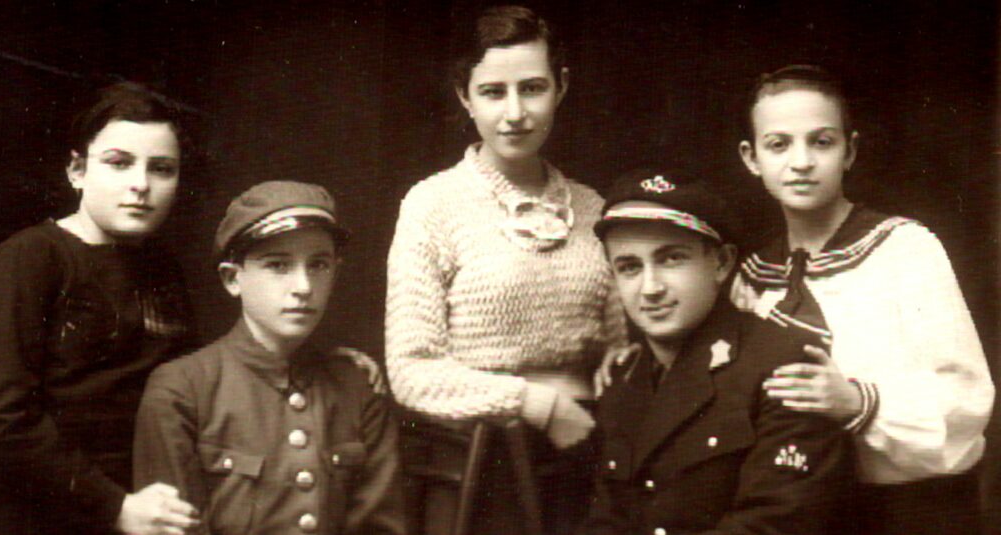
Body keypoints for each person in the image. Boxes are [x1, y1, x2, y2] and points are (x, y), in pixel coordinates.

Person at [385, 5, 625, 533]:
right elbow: (412, 372)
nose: (515, 112)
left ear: (561, 87)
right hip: (482, 470)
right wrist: (534, 404)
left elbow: (619, 347)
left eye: (533, 88)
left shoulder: (592, 209)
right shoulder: (433, 205)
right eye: (493, 92)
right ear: (464, 96)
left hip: (588, 456)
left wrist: (619, 361)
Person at [733, 64, 994, 534]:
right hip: (803, 513)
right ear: (751, 158)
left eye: (822, 141)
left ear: (850, 150)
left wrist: (858, 403)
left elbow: (965, 401)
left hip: (911, 510)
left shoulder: (904, 250)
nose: (802, 161)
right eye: (779, 144)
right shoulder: (751, 279)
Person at [0, 82, 201, 535]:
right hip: (39, 514)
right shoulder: (30, 259)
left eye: (162, 168)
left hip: (149, 506)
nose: (141, 184)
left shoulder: (165, 269)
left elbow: (196, 383)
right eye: (118, 163)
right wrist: (115, 506)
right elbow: (2, 419)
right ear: (77, 171)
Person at [587, 168, 852, 535]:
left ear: (722, 263)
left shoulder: (783, 364)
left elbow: (775, 523)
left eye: (671, 259)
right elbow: (607, 521)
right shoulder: (624, 379)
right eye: (629, 267)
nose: (650, 288)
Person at [134, 181, 405, 534]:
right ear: (233, 279)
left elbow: (381, 526)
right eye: (278, 266)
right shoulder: (182, 389)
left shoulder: (356, 386)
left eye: (319, 265)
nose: (303, 286)